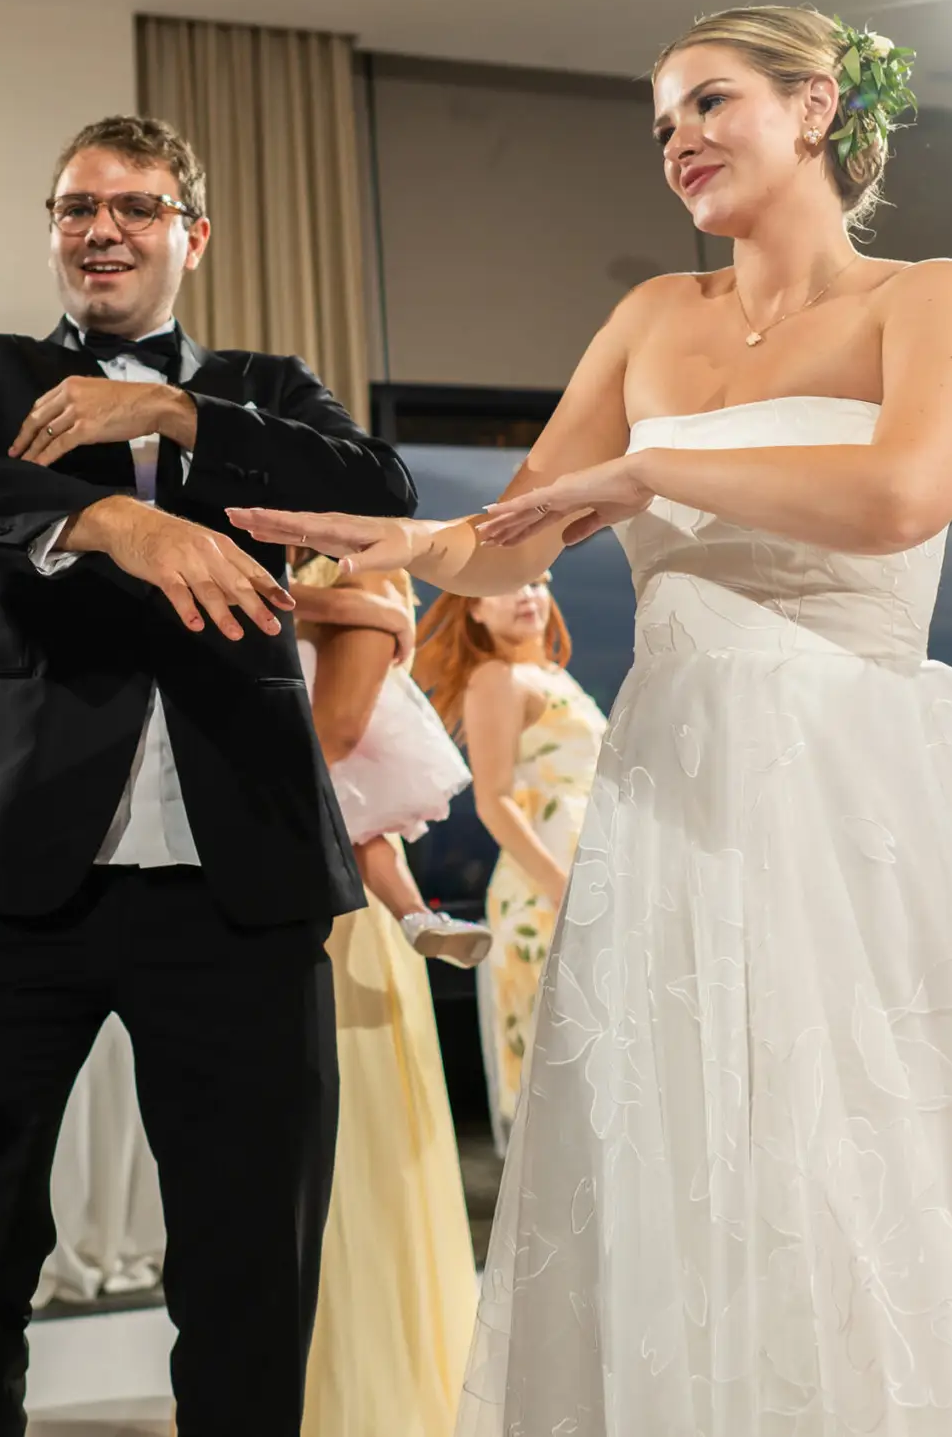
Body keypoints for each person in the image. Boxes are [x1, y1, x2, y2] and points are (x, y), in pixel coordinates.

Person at [233, 8, 952, 1435]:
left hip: (860, 777)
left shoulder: (931, 296)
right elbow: (513, 538)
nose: (678, 142)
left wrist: (654, 464)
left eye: (708, 103)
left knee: (872, 1142)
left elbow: (905, 493)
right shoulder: (649, 319)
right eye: (662, 122)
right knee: (697, 1149)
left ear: (813, 106)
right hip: (676, 787)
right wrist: (402, 542)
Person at [0, 114, 417, 1436]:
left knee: (250, 1273)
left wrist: (173, 411)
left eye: (134, 206)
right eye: (74, 209)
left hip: (243, 888)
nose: (99, 229)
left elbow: (377, 488)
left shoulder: (267, 387)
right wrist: (106, 514)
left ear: (192, 234)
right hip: (4, 886)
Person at [289, 555, 479, 1437]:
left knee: (353, 1155)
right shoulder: (266, 573)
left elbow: (334, 742)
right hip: (257, 886)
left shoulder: (363, 580)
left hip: (331, 906)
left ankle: (362, 1403)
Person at [409, 579, 607, 1145]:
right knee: (566, 1065)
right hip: (547, 887)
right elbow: (492, 800)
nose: (528, 594)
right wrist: (562, 888)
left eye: (539, 582)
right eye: (504, 585)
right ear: (472, 608)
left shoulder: (550, 673)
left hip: (581, 874)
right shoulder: (497, 678)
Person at [289, 568, 492, 966]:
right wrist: (391, 616)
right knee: (363, 827)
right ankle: (416, 915)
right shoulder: (379, 576)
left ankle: (417, 915)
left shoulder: (347, 570)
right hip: (358, 712)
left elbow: (268, 590)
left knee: (342, 807)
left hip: (314, 697)